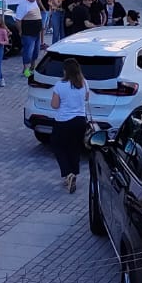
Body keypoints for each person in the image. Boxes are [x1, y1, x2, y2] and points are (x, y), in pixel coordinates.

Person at [49, 58, 89, 193]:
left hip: (63, 121)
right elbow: (87, 98)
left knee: (58, 146)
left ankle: (68, 173)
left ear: (65, 71)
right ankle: (74, 173)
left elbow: (54, 105)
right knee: (75, 148)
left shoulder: (60, 85)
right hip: (80, 121)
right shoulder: (84, 83)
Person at [15, 0, 44, 77]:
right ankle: (25, 70)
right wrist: (20, 31)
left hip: (37, 32)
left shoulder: (34, 3)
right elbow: (18, 20)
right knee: (28, 52)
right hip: (28, 33)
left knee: (36, 51)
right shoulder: (23, 5)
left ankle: (32, 67)